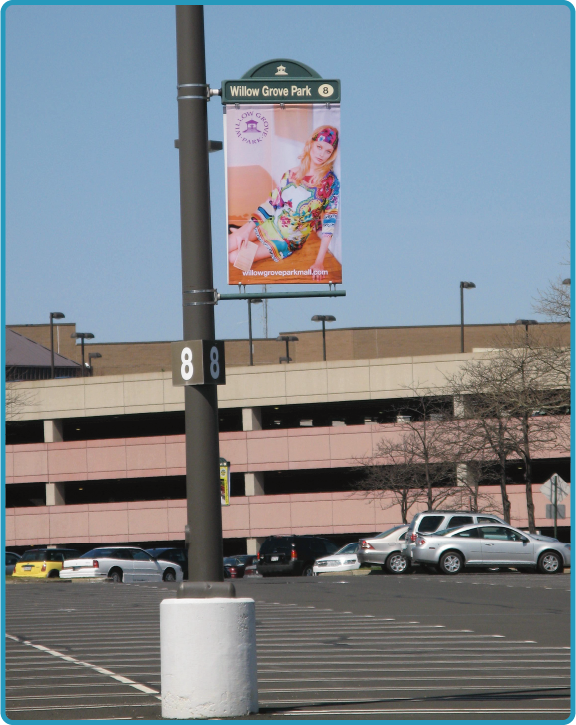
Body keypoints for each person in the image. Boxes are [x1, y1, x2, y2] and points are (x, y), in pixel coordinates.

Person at [228, 125, 340, 281]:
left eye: (327, 151)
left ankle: (240, 232)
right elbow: (272, 203)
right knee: (228, 244)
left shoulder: (331, 183)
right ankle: (241, 230)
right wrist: (247, 230)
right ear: (311, 144)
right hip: (270, 223)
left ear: (332, 154)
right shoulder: (291, 173)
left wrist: (319, 262)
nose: (322, 154)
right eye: (319, 147)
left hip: (288, 239)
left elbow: (329, 223)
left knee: (235, 258)